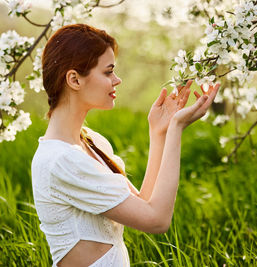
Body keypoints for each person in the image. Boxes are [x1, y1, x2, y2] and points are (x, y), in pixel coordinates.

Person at [31, 23, 219, 267]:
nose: (117, 80)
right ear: (74, 79)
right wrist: (176, 130)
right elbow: (157, 221)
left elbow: (145, 204)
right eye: (108, 72)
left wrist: (159, 132)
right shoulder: (61, 161)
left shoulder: (91, 142)